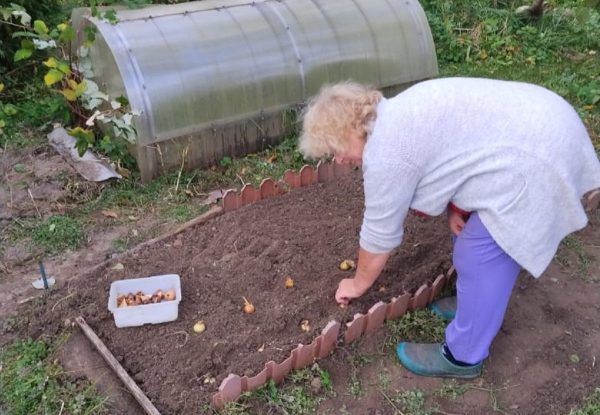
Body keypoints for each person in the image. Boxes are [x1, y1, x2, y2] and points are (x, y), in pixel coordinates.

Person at [298, 77, 600, 378]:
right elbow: (461, 149)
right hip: (544, 121)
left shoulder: (387, 154)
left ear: (351, 128)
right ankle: (475, 302)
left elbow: (379, 234)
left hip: (540, 156)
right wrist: (458, 207)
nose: (338, 159)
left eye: (336, 148)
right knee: (468, 236)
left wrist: (358, 283)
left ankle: (463, 357)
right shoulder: (396, 111)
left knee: (478, 254)